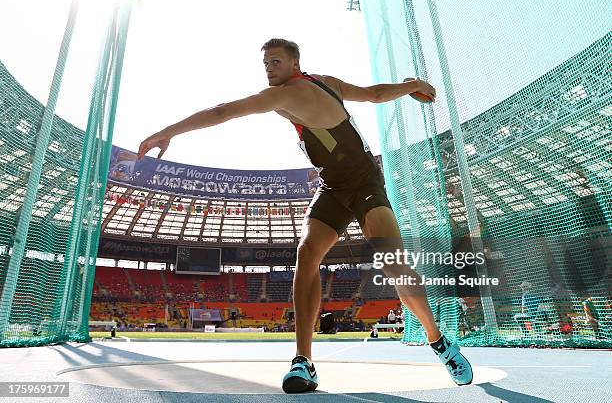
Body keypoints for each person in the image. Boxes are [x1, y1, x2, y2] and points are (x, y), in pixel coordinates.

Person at [137, 38, 472, 393]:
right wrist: (410, 87)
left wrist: (166, 132)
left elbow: (223, 111)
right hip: (332, 187)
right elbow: (374, 95)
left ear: (295, 65)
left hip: (364, 182)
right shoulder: (324, 81)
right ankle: (303, 361)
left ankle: (439, 342)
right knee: (306, 253)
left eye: (276, 62)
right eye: (265, 63)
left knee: (392, 261)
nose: (269, 68)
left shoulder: (284, 94)